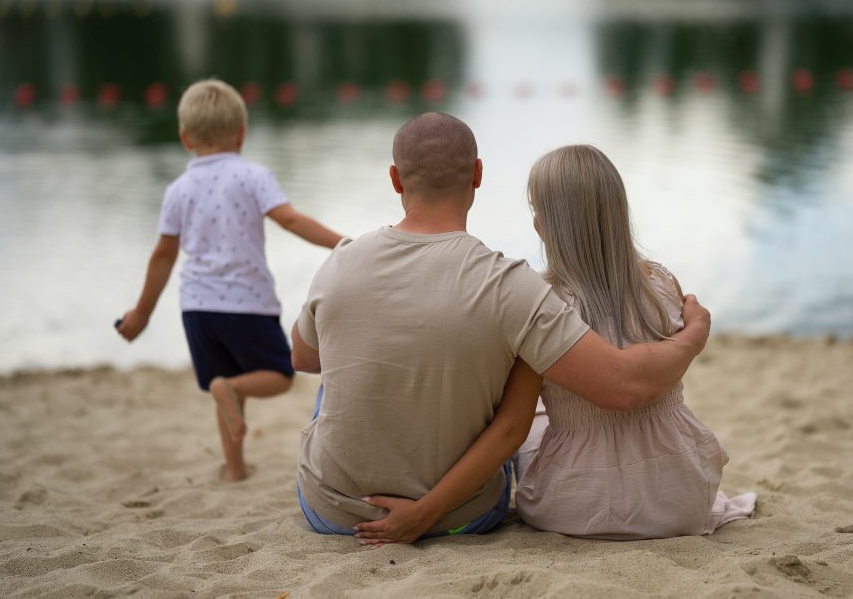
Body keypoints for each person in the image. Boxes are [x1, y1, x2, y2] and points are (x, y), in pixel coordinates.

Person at [291, 113, 711, 543]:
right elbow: (606, 390)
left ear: (395, 179)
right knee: (493, 379)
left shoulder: (339, 261)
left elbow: (303, 359)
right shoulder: (511, 285)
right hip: (460, 516)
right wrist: (694, 336)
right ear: (477, 174)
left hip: (333, 514)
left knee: (332, 372)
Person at [512, 144, 756, 539]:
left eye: (536, 209)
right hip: (681, 499)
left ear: (547, 224)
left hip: (576, 506)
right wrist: (694, 335)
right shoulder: (661, 285)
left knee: (533, 416)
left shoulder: (539, 302)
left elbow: (510, 426)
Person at [117, 78, 343, 482]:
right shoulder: (253, 176)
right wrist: (342, 244)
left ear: (185, 137)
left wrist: (142, 314)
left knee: (224, 386)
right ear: (241, 133)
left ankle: (234, 468)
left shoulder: (177, 189)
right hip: (247, 302)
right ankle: (233, 399)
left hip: (197, 308)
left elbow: (163, 255)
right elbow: (291, 220)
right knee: (278, 376)